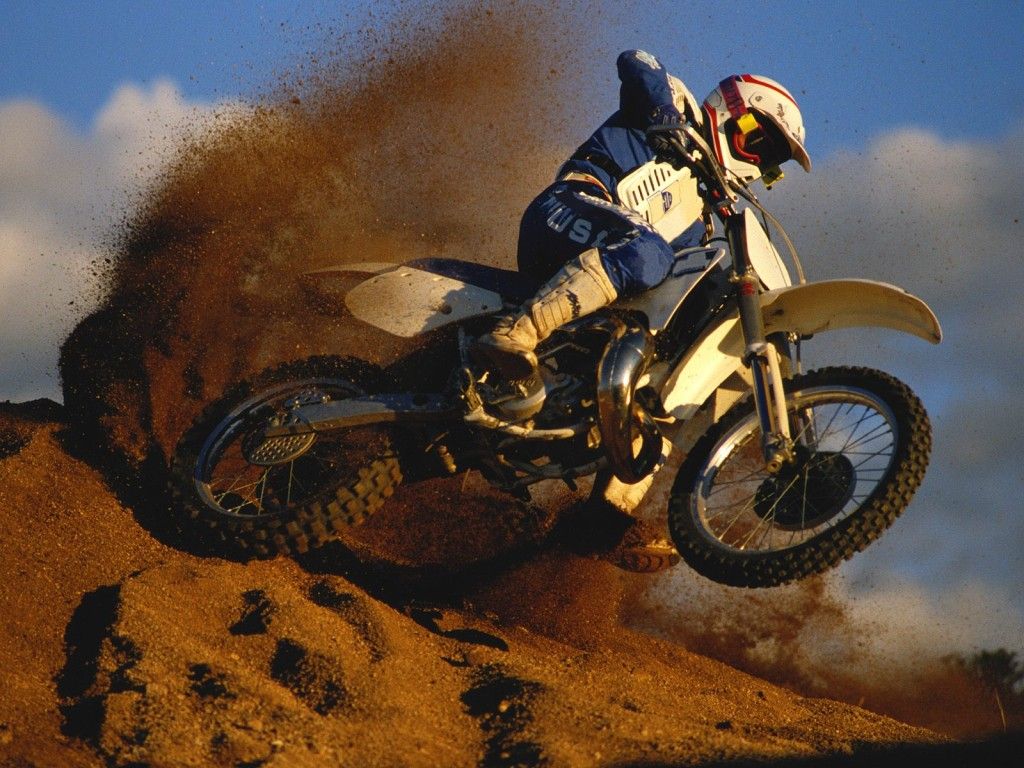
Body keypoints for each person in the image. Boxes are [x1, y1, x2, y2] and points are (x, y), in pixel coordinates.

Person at [471, 50, 812, 572]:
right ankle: (515, 333)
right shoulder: (675, 106)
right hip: (569, 208)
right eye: (758, 141)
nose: (758, 162)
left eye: (772, 162)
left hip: (602, 285)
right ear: (731, 111)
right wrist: (662, 116)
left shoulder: (706, 215)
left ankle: (601, 522)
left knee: (664, 378)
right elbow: (636, 60)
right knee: (649, 252)